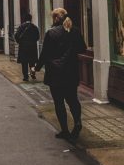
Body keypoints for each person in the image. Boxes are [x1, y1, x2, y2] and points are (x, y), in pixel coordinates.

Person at [35, 8, 86, 142]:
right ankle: (77, 122)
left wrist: (37, 67)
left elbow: (45, 53)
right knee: (73, 99)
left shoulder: (51, 33)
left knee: (59, 102)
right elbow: (83, 48)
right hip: (71, 71)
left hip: (55, 72)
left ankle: (65, 130)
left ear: (56, 18)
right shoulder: (75, 31)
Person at [15, 13, 40, 82]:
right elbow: (37, 37)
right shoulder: (34, 27)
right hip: (32, 47)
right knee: (32, 62)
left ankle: (26, 77)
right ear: (31, 19)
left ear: (24, 19)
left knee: (24, 63)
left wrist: (20, 42)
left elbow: (16, 36)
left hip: (23, 47)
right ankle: (33, 74)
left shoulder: (21, 27)